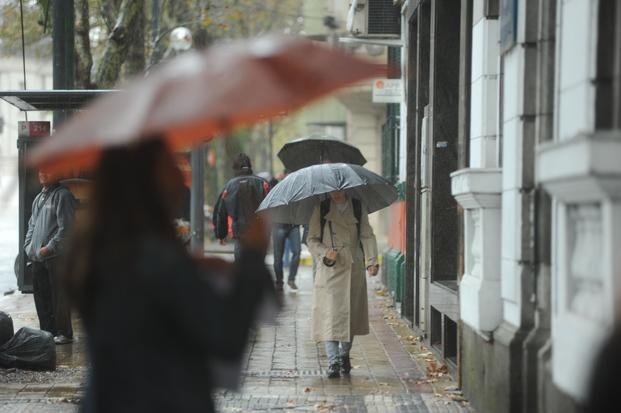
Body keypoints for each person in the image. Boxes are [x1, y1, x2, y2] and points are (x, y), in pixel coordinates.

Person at [64, 139, 274, 412]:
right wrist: (253, 257)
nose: (178, 175)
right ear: (144, 181)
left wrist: (186, 268)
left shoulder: (98, 248)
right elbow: (226, 336)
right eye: (168, 166)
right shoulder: (156, 259)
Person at [306, 190, 379, 378]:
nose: (336, 193)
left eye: (339, 188)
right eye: (331, 189)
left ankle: (344, 354)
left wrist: (371, 260)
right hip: (330, 269)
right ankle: (333, 361)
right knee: (329, 315)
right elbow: (311, 239)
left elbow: (367, 235)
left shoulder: (357, 206)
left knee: (350, 315)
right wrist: (324, 251)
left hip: (352, 268)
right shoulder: (321, 208)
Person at [24, 169, 76, 345]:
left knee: (59, 297)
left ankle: (64, 333)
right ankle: (47, 333)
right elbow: (31, 224)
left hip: (56, 257)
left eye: (47, 171)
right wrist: (29, 246)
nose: (42, 173)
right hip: (38, 257)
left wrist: (49, 248)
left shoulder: (63, 196)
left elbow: (66, 229)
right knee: (41, 296)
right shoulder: (39, 198)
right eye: (40, 170)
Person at [213, 153, 270, 261]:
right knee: (258, 267)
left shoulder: (229, 186)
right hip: (259, 233)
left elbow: (220, 212)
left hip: (240, 233)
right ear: (249, 165)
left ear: (234, 168)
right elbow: (272, 206)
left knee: (241, 268)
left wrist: (221, 234)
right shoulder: (262, 183)